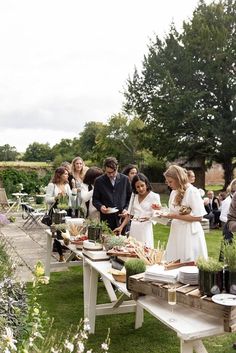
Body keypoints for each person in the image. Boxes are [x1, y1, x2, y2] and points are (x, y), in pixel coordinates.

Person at [161, 165, 208, 262]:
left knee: (188, 262)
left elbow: (199, 217)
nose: (169, 184)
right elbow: (172, 211)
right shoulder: (174, 192)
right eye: (167, 182)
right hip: (176, 231)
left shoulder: (192, 191)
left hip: (189, 233)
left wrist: (174, 216)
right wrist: (161, 210)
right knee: (174, 260)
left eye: (170, 181)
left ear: (178, 179)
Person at [114, 173, 161, 248]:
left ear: (146, 184)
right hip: (134, 227)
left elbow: (158, 215)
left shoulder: (154, 196)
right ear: (134, 188)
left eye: (142, 185)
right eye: (138, 187)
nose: (141, 189)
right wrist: (121, 227)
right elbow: (130, 214)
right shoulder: (134, 196)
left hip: (145, 228)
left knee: (145, 251)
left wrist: (152, 216)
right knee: (132, 249)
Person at [92, 157, 132, 232]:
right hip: (106, 220)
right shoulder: (99, 181)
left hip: (122, 219)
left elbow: (130, 198)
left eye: (113, 172)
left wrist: (126, 209)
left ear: (117, 168)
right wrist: (101, 207)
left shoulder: (125, 179)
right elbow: (95, 199)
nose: (110, 175)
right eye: (108, 172)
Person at [45, 167, 75, 262]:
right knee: (57, 234)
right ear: (59, 175)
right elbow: (47, 199)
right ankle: (61, 255)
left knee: (68, 233)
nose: (68, 175)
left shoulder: (67, 185)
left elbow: (72, 199)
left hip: (66, 211)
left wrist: (73, 188)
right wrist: (56, 197)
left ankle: (73, 254)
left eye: (67, 174)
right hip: (55, 213)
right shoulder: (52, 185)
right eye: (65, 174)